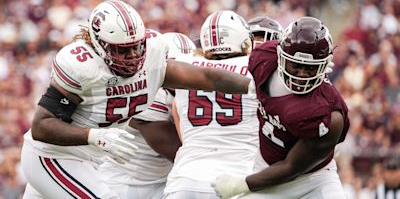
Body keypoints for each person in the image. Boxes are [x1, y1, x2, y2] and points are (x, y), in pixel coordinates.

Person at [20, 0, 253, 199]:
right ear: (100, 46)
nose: (132, 56)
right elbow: (42, 126)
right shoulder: (82, 67)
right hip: (54, 156)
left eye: (137, 46)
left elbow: (208, 78)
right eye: (122, 50)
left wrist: (254, 87)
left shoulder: (151, 60)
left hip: (91, 163)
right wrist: (94, 136)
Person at [212, 16, 350, 199]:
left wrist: (241, 184)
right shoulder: (264, 60)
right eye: (296, 65)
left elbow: (290, 167)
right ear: (280, 56)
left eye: (310, 68)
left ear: (325, 66)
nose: (301, 74)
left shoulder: (329, 115)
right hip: (266, 167)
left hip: (314, 179)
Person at [163, 10, 259, 199]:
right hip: (239, 177)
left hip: (186, 178)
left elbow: (178, 116)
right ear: (244, 40)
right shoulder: (259, 67)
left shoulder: (185, 65)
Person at [98, 31, 196, 199]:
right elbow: (178, 153)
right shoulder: (148, 94)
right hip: (128, 185)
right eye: (176, 67)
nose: (182, 74)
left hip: (163, 182)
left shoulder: (184, 92)